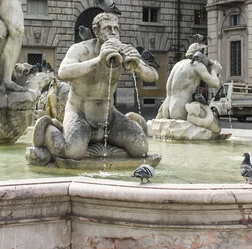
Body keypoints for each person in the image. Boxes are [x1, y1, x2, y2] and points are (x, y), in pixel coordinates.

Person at [32, 13, 158, 160]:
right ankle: (50, 129)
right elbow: (63, 72)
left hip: (109, 117)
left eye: (116, 29)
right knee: (73, 152)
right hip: (80, 115)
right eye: (108, 28)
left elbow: (153, 76)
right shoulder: (81, 49)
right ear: (96, 31)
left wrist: (137, 66)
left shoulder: (122, 50)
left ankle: (129, 122)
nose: (113, 32)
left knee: (140, 149)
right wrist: (98, 60)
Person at [157, 50, 222, 121]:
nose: (208, 58)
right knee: (214, 123)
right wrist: (214, 70)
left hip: (166, 108)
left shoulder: (178, 64)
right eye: (206, 54)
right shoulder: (197, 65)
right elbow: (215, 83)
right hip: (180, 109)